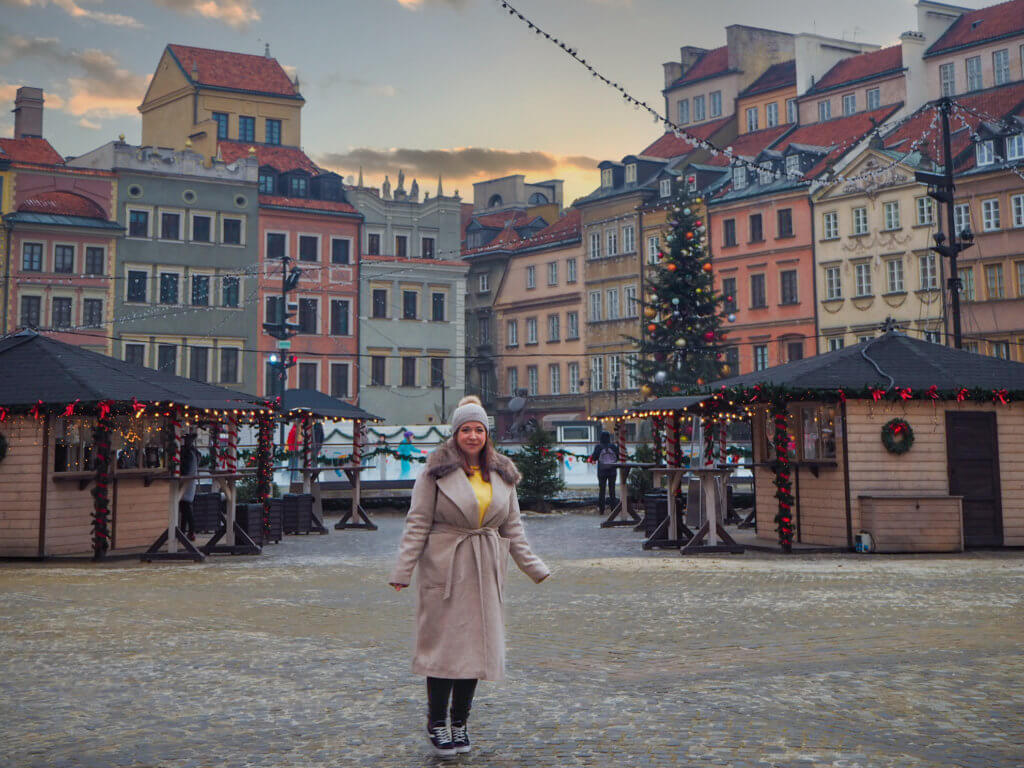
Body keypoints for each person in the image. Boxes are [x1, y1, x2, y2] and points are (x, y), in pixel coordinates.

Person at [389, 395, 550, 757]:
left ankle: (460, 722)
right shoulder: (436, 471)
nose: (473, 435)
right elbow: (417, 523)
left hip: (484, 569)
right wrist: (403, 570)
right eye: (466, 429)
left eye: (479, 429)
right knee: (444, 650)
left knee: (474, 651)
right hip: (446, 566)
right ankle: (436, 722)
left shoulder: (503, 473)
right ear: (456, 434)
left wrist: (533, 566)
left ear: (487, 434)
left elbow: (513, 528)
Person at [179, 432, 202, 541]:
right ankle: (185, 531)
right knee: (185, 506)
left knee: (185, 506)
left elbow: (184, 468)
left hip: (186, 481)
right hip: (190, 480)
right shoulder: (194, 452)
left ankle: (190, 530)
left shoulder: (188, 452)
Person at [591, 431, 619, 515]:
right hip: (612, 471)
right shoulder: (613, 446)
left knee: (602, 490)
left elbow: (594, 458)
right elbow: (617, 457)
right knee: (612, 490)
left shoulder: (598, 447)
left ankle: (601, 509)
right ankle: (613, 509)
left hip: (601, 471)